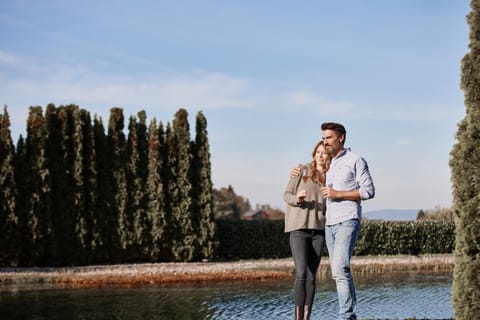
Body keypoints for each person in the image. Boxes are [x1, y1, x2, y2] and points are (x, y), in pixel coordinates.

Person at [290, 122, 375, 320]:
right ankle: (348, 315)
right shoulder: (330, 164)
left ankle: (346, 316)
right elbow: (312, 167)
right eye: (323, 138)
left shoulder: (356, 160)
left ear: (341, 137)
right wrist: (297, 171)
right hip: (329, 224)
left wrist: (338, 193)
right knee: (337, 273)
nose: (325, 142)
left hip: (348, 219)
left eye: (328, 138)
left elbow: (369, 191)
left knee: (340, 267)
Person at [283, 141, 331, 320]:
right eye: (318, 152)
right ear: (314, 154)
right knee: (301, 273)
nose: (320, 155)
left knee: (312, 276)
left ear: (329, 156)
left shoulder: (331, 177)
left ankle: (307, 316)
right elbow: (286, 194)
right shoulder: (302, 171)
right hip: (299, 229)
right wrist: (298, 199)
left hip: (318, 231)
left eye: (324, 152)